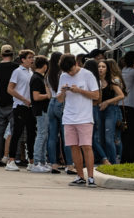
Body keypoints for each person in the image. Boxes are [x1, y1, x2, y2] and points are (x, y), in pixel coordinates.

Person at [58, 54, 99, 187]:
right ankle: (80, 176)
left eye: (71, 70)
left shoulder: (87, 74)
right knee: (73, 147)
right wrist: (63, 92)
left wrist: (79, 90)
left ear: (76, 63)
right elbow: (59, 99)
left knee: (86, 146)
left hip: (84, 117)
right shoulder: (63, 76)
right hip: (69, 117)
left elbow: (96, 95)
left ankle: (91, 177)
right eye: (67, 71)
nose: (70, 73)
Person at [6, 50, 36, 171]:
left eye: (32, 58)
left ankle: (32, 162)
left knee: (31, 134)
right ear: (23, 59)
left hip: (30, 107)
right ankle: (11, 160)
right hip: (19, 106)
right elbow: (10, 89)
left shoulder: (31, 72)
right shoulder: (17, 72)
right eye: (29, 57)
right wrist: (23, 99)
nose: (32, 60)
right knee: (17, 133)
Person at [28, 55, 53, 172]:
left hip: (43, 110)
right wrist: (47, 96)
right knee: (41, 135)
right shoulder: (37, 79)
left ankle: (42, 161)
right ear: (45, 66)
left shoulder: (39, 77)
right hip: (40, 110)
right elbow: (36, 96)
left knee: (44, 135)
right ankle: (37, 162)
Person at [99, 60, 125, 165]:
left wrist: (107, 102)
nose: (100, 68)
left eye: (103, 67)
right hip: (99, 111)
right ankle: (107, 160)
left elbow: (121, 95)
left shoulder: (113, 81)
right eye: (99, 66)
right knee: (102, 138)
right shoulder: (96, 81)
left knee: (110, 138)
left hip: (111, 110)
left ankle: (115, 162)